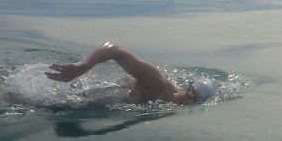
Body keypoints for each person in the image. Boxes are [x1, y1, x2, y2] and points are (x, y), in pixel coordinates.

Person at [46, 42, 217, 105]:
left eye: (193, 100)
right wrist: (82, 67)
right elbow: (115, 49)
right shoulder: (157, 83)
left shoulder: (167, 108)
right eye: (190, 92)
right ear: (187, 87)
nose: (187, 99)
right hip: (80, 93)